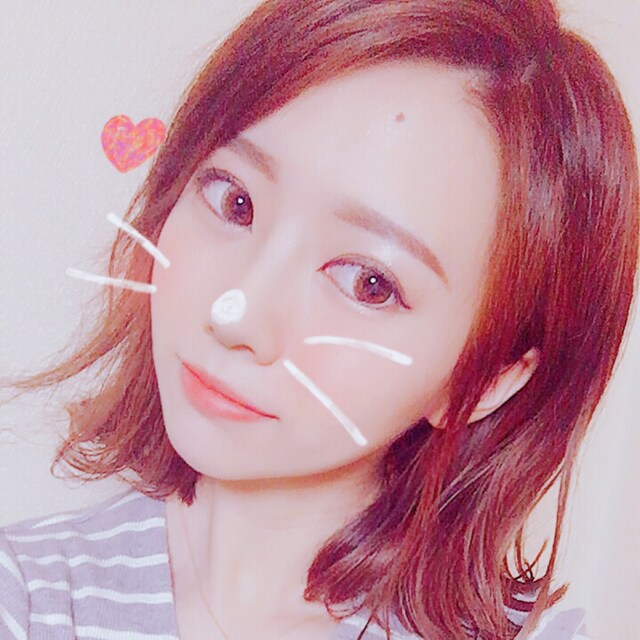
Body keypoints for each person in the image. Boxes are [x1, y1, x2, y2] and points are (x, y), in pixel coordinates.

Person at [1, 0, 637, 638]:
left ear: (492, 375)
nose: (238, 316)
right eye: (236, 202)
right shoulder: (29, 596)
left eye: (368, 283)